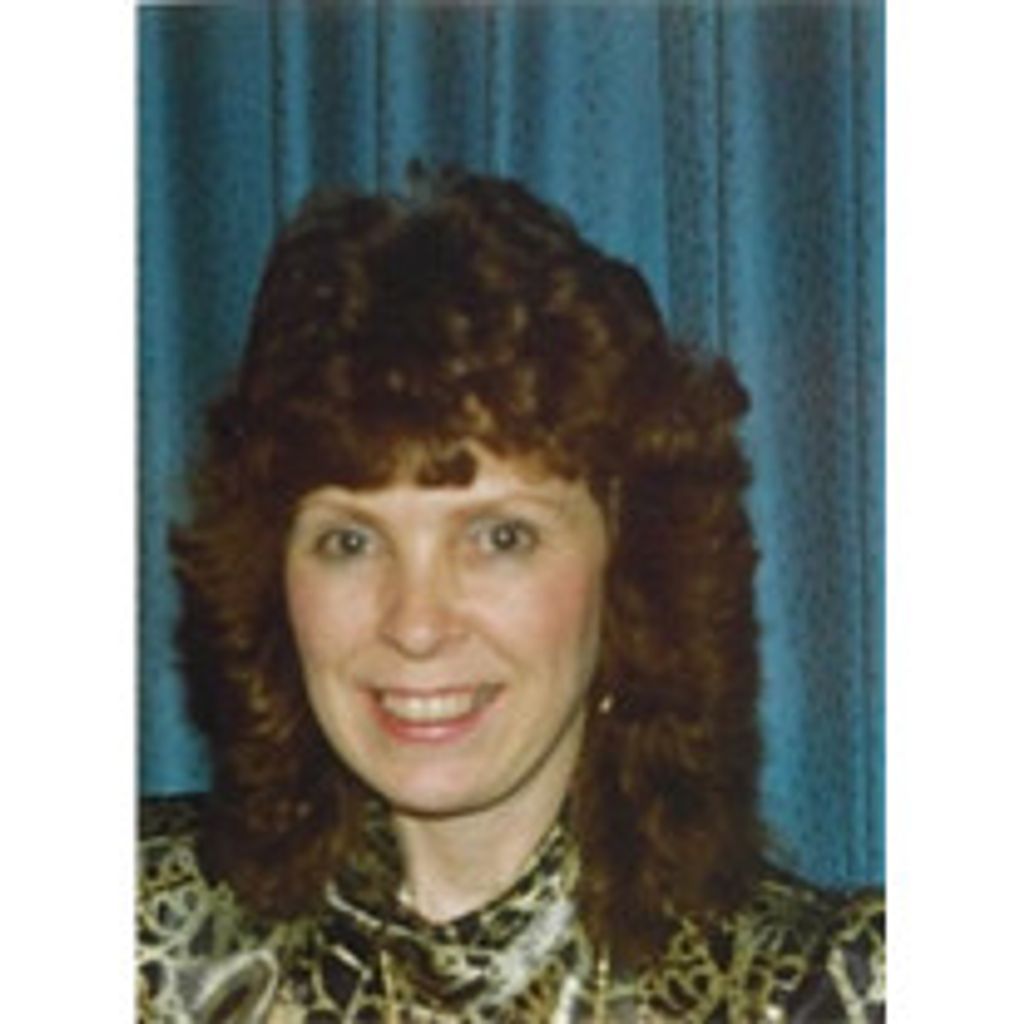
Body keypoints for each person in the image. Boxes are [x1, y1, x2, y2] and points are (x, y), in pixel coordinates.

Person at [137, 170, 885, 1022]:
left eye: (499, 538)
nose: (416, 624)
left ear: (630, 569)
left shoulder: (818, 993)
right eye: (350, 541)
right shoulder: (144, 946)